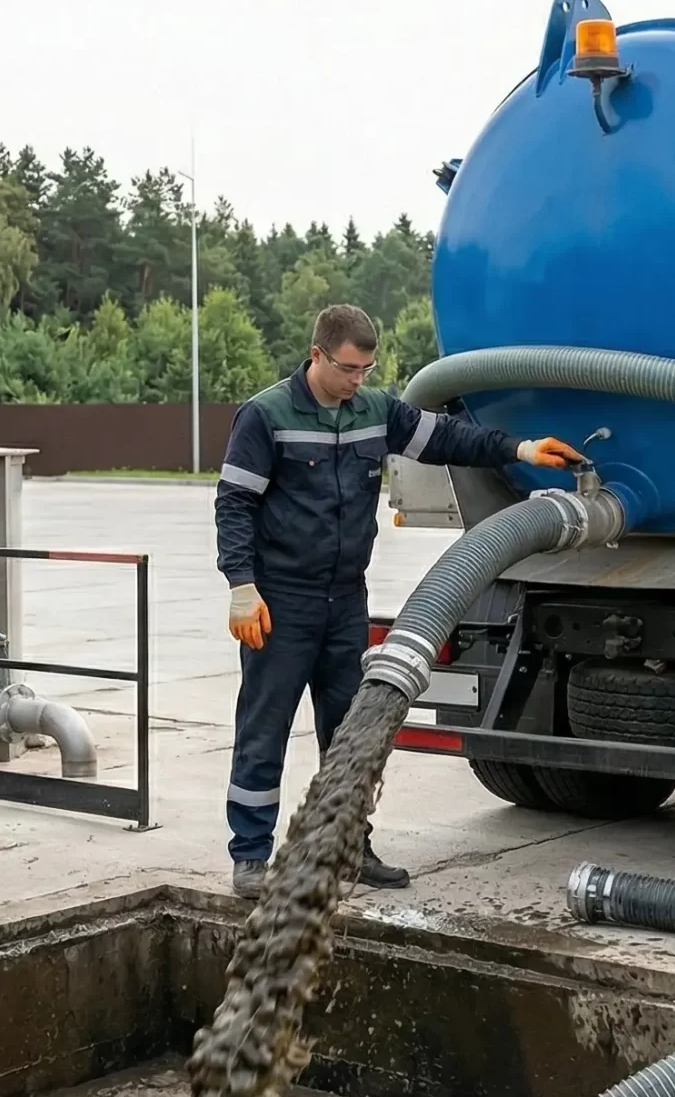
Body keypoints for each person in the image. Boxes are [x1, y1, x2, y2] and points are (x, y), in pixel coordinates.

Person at [215, 304, 583, 899]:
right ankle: (251, 858)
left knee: (350, 732)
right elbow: (234, 503)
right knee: (265, 729)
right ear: (317, 356)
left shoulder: (376, 410)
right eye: (349, 369)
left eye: (367, 369)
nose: (358, 380)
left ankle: (348, 849)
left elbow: (449, 439)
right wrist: (240, 584)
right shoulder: (266, 416)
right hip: (281, 603)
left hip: (344, 602)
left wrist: (522, 448)